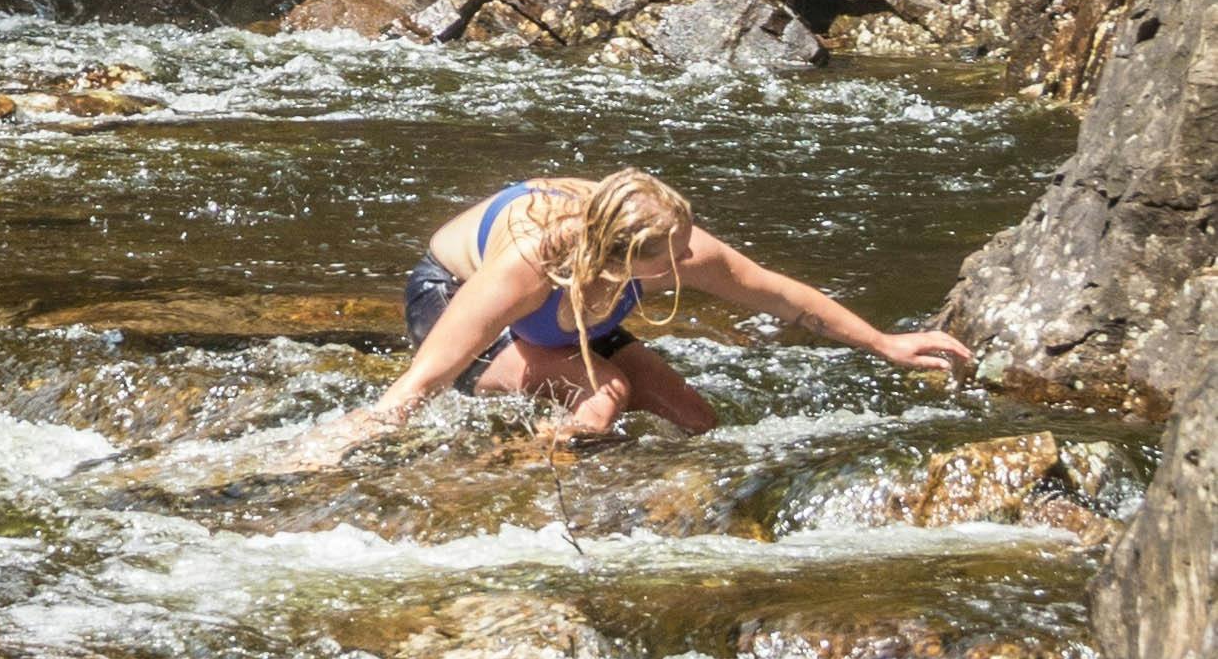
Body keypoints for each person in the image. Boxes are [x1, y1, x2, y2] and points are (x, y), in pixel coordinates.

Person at [287, 164, 975, 462]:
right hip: (454, 299)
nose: (691, 259)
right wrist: (341, 440)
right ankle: (543, 485)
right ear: (620, 259)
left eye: (685, 241)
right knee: (602, 391)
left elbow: (779, 294)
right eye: (670, 256)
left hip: (577, 311)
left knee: (697, 420)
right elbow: (424, 377)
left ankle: (610, 471)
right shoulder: (528, 263)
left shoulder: (671, 243)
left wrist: (885, 342)